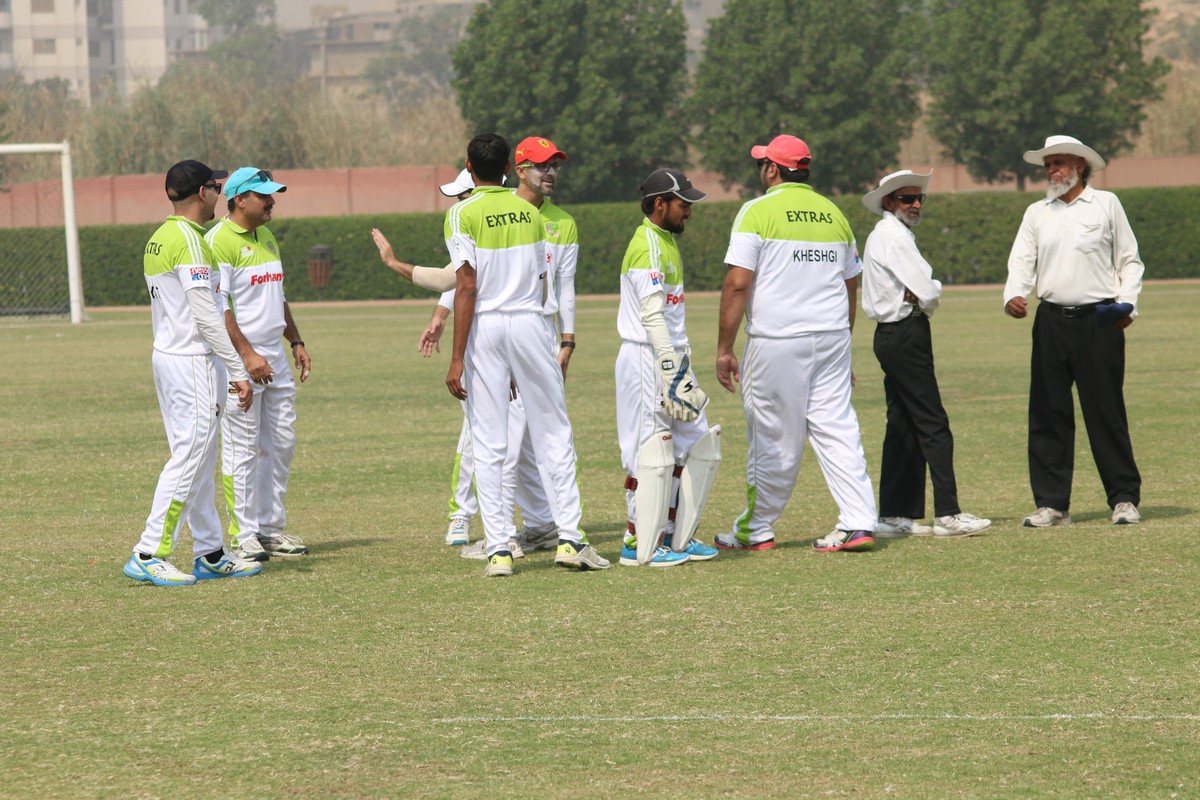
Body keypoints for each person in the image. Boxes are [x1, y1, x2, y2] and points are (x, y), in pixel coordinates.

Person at [446, 133, 607, 576]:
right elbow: (542, 283)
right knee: (554, 433)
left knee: (489, 440)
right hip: (532, 323)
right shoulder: (532, 214)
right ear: (507, 169)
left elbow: (466, 286)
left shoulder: (461, 212)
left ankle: (499, 550)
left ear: (469, 167)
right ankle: (570, 539)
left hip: (486, 327)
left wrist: (457, 357)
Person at [714, 134, 878, 553]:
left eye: (762, 164)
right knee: (838, 429)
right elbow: (850, 285)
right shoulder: (834, 213)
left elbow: (737, 284)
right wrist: (843, 347)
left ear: (772, 169)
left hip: (777, 339)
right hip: (832, 336)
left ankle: (756, 530)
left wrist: (724, 349)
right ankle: (858, 522)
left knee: (773, 436)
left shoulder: (756, 210)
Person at [123, 159, 262, 586]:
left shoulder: (161, 236)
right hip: (192, 361)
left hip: (169, 357)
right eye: (216, 186)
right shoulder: (190, 241)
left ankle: (211, 552)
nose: (219, 192)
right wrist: (238, 369)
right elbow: (206, 316)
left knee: (197, 457)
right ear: (203, 192)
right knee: (191, 456)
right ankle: (148, 552)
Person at [1004, 135, 1144, 528]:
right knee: (1048, 412)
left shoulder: (1107, 204)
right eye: (1048, 165)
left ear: (1080, 166)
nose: (1051, 171)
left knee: (1105, 411)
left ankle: (1124, 498)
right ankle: (1052, 504)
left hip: (1100, 319)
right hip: (1050, 320)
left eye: (1059, 163)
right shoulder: (1036, 213)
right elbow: (1021, 260)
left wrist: (1129, 304)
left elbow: (1130, 260)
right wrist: (1013, 294)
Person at [860, 170, 991, 538]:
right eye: (907, 199)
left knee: (902, 423)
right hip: (905, 332)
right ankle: (948, 514)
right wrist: (927, 291)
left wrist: (922, 292)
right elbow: (928, 291)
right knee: (933, 423)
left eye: (920, 198)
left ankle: (895, 514)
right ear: (889, 202)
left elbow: (921, 290)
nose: (916, 204)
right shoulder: (893, 236)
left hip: (893, 333)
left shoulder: (889, 234)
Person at [615, 168, 721, 567]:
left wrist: (678, 368)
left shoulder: (666, 242)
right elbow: (652, 316)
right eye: (683, 204)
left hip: (670, 359)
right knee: (648, 449)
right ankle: (637, 539)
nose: (689, 212)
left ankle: (676, 535)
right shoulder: (647, 246)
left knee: (696, 442)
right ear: (660, 204)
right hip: (647, 358)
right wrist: (669, 370)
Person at [206, 167, 311, 562]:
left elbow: (277, 296)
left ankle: (269, 528)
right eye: (264, 195)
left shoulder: (266, 236)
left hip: (276, 359)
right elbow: (219, 307)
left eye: (272, 194)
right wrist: (247, 356)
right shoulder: (218, 241)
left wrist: (295, 340)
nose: (272, 201)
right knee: (243, 447)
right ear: (239, 199)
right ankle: (243, 534)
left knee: (281, 444)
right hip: (239, 362)